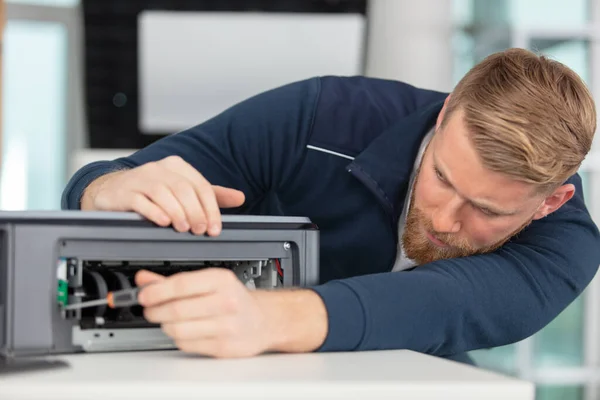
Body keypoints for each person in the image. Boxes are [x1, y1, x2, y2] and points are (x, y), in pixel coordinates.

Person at [62, 48, 600, 362]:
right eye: (441, 177)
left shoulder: (567, 246)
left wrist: (269, 318)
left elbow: (444, 302)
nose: (442, 217)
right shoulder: (320, 115)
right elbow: (111, 180)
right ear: (443, 117)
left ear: (549, 203)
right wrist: (103, 190)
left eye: (487, 210)